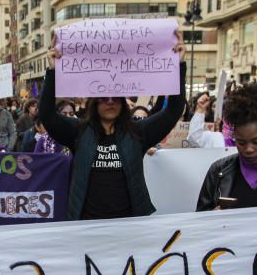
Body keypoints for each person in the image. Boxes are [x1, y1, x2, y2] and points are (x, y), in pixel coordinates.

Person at [40, 34, 186, 220]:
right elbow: (47, 115)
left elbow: (173, 111)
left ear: (123, 102)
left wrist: (178, 66)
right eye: (103, 97)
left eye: (115, 97)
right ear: (94, 101)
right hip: (86, 225)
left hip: (130, 225)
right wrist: (52, 71)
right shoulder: (78, 131)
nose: (110, 102)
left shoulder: (137, 132)